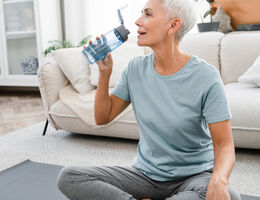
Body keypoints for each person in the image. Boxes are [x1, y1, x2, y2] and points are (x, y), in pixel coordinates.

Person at [57, 0, 241, 199]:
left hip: (193, 177)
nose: (137, 21)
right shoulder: (135, 69)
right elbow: (103, 117)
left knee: (229, 195)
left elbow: (224, 145)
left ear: (173, 25)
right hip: (144, 176)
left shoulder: (206, 76)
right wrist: (104, 74)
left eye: (147, 14)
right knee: (70, 176)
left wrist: (219, 180)